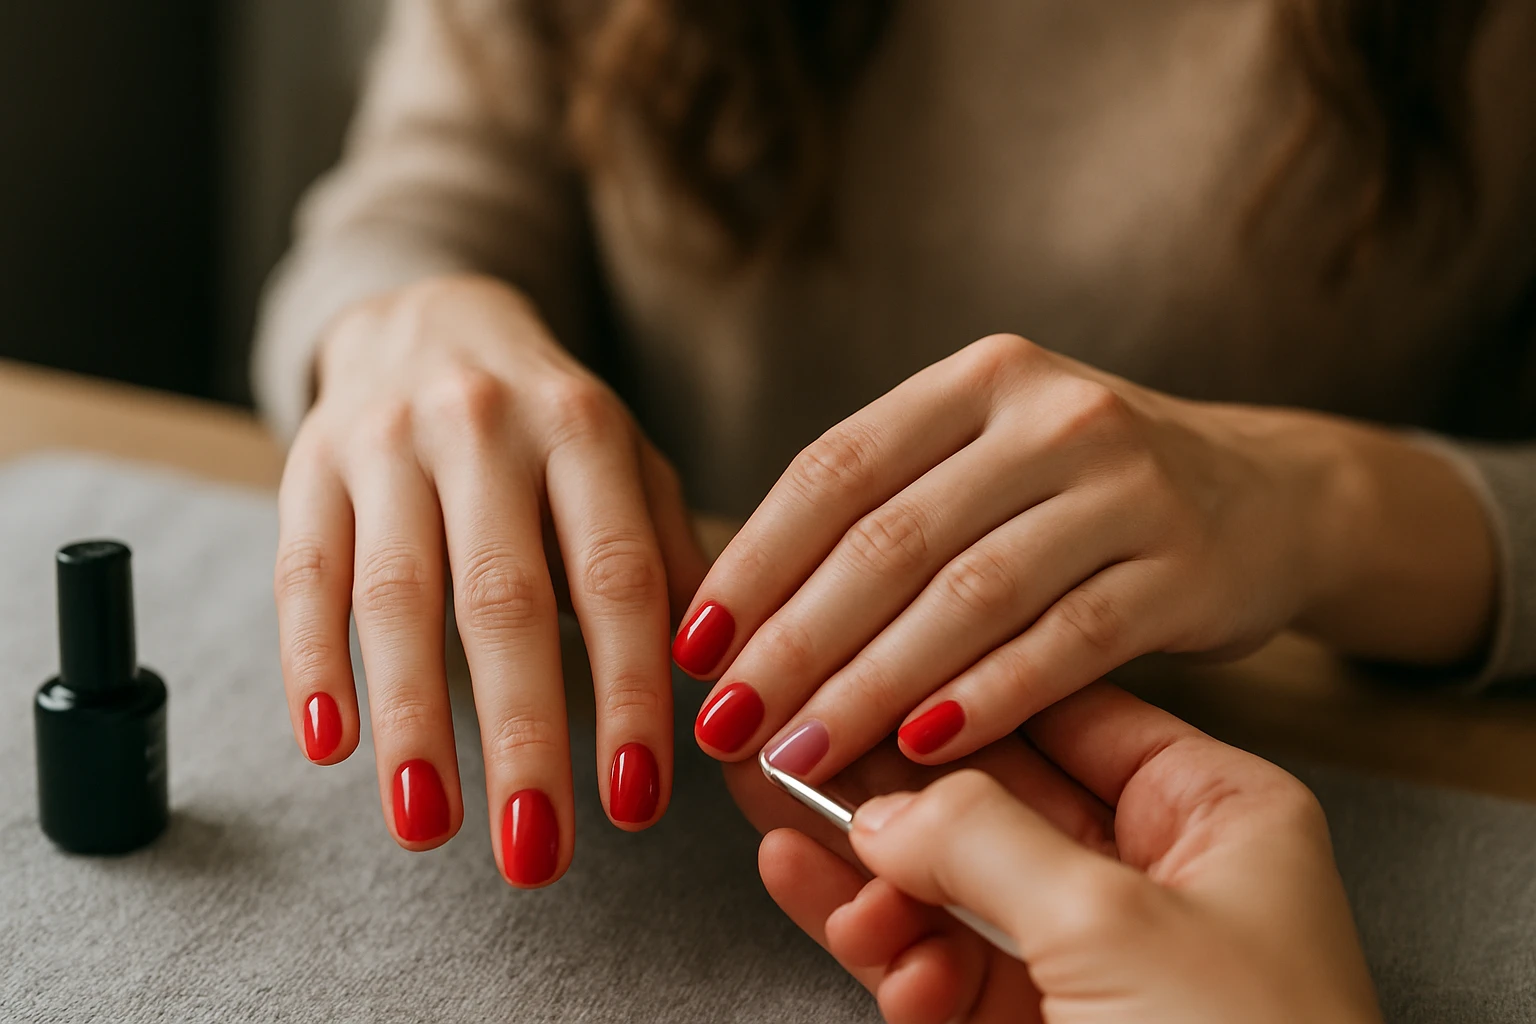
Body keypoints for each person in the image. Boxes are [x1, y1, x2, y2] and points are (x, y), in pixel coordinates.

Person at [253, 0, 1534, 1005]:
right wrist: (399, 329)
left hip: (1286, 821)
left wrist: (1322, 499)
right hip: (760, 843)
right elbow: (417, 198)